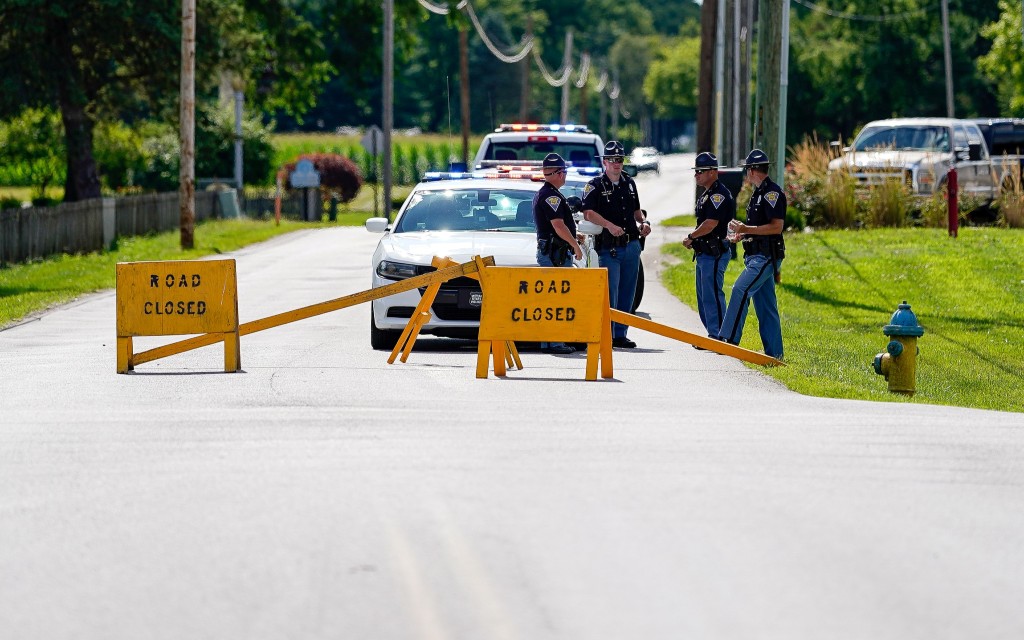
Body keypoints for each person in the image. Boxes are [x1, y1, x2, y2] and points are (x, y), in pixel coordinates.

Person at [718, 148, 786, 360]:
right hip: (756, 254)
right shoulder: (758, 193)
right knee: (766, 306)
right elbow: (759, 228)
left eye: (747, 169)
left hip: (766, 256)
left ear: (753, 170)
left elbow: (776, 227)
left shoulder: (772, 193)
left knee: (740, 289)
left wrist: (746, 228)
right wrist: (742, 234)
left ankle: (728, 339)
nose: (746, 173)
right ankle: (775, 355)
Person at [581, 141, 651, 348]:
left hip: (631, 245)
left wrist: (644, 222)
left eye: (619, 159)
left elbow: (636, 211)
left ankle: (620, 334)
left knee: (628, 292)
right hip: (609, 248)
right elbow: (588, 213)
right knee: (610, 292)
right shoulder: (594, 185)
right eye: (612, 159)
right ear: (604, 162)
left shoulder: (629, 183)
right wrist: (609, 225)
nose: (616, 163)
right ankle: (608, 333)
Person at [533, 152, 584, 354]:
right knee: (558, 300)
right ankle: (555, 342)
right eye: (563, 172)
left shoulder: (546, 193)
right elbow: (558, 226)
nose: (564, 176)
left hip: (553, 252)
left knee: (551, 299)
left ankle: (549, 342)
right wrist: (575, 245)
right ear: (558, 173)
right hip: (555, 255)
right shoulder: (551, 196)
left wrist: (575, 235)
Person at [685, 151, 735, 340]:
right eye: (696, 171)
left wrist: (691, 236)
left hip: (714, 253)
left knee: (712, 294)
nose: (696, 174)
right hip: (704, 253)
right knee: (704, 296)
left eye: (700, 171)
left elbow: (710, 224)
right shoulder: (707, 194)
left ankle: (721, 336)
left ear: (713, 172)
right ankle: (713, 333)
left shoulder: (718, 195)